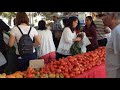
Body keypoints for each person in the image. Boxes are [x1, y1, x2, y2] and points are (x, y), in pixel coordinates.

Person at [102, 12, 120, 78]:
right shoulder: (114, 31)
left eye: (104, 15)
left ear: (113, 16)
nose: (102, 18)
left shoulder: (118, 32)